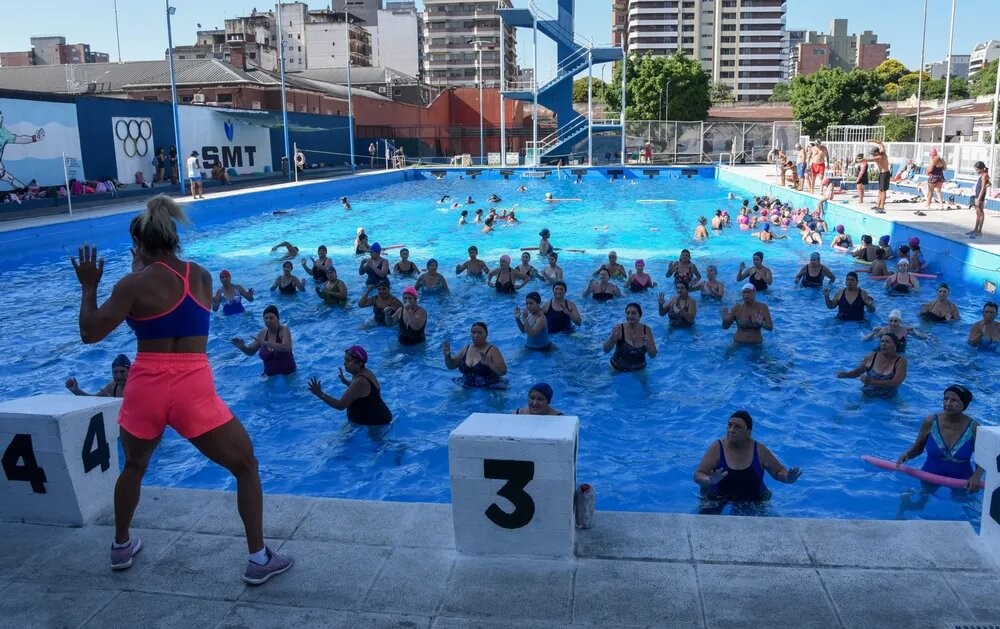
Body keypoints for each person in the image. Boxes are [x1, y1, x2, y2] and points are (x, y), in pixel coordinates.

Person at [70, 195, 291, 582]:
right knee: (245, 465)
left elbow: (91, 332)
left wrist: (89, 286)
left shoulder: (132, 285)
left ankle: (121, 546)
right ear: (174, 238)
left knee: (135, 467)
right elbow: (179, 313)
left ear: (138, 246)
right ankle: (258, 559)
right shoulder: (202, 277)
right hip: (192, 385)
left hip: (146, 385)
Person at [693, 411, 801, 506]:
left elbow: (777, 472)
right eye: (730, 425)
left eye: (737, 427)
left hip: (754, 500)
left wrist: (787, 477)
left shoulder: (759, 450)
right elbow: (698, 475)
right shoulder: (717, 447)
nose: (731, 430)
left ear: (749, 432)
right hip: (718, 497)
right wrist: (710, 480)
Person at [896, 385, 984, 491]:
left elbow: (983, 458)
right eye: (946, 399)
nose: (948, 404)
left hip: (963, 480)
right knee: (919, 502)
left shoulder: (974, 428)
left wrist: (977, 476)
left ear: (964, 404)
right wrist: (907, 455)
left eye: (954, 400)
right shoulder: (931, 422)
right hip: (930, 474)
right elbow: (918, 448)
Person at [307, 346, 393, 426]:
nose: (344, 363)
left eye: (348, 361)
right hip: (376, 417)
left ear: (359, 364)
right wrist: (345, 382)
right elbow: (363, 392)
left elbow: (340, 405)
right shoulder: (364, 372)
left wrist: (320, 394)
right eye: (345, 360)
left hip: (376, 422)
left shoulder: (360, 381)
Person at [231, 305, 297, 376]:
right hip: (269, 374)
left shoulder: (284, 330)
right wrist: (243, 347)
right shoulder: (262, 334)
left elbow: (286, 347)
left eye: (271, 318)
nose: (268, 320)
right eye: (266, 318)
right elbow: (251, 351)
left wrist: (265, 343)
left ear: (278, 319)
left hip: (288, 373)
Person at [836, 333, 907, 398]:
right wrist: (846, 374)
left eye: (887, 342)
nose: (883, 344)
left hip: (889, 398)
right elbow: (859, 371)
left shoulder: (900, 361)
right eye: (882, 341)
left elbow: (895, 382)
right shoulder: (871, 357)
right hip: (868, 395)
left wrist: (872, 381)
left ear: (895, 345)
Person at [442, 321, 508, 388]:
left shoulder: (492, 350)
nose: (476, 335)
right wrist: (447, 356)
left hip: (490, 388)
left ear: (486, 334)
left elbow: (503, 371)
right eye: (473, 332)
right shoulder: (466, 349)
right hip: (467, 386)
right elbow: (451, 366)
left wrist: (490, 364)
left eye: (479, 332)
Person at [602, 302, 657, 371]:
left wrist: (648, 346)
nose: (630, 316)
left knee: (646, 382)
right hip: (617, 368)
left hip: (639, 368)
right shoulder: (619, 329)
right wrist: (612, 339)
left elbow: (653, 355)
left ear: (640, 315)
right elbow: (605, 350)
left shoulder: (646, 330)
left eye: (634, 313)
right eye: (628, 313)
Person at [65, 354, 131, 398]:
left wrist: (113, 401)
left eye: (122, 372)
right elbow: (94, 400)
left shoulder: (135, 385)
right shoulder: (112, 386)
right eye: (115, 372)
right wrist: (76, 391)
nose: (118, 376)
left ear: (130, 371)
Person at [863, 140, 891, 211]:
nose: (872, 154)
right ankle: (878, 205)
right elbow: (880, 143)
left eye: (873, 153)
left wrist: (860, 160)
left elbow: (868, 160)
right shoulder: (879, 153)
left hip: (885, 174)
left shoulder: (881, 156)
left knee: (883, 191)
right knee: (880, 191)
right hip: (881, 174)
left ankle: (882, 207)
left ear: (876, 152)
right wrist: (872, 140)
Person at [968, 161, 990, 238]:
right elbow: (989, 184)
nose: (976, 171)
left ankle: (979, 231)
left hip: (980, 196)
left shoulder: (985, 175)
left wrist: (979, 199)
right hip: (977, 195)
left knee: (981, 212)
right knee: (978, 213)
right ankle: (975, 229)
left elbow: (983, 187)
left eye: (977, 170)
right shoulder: (982, 175)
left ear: (981, 168)